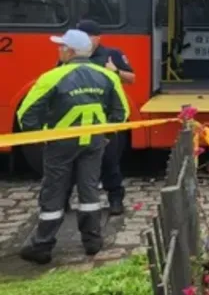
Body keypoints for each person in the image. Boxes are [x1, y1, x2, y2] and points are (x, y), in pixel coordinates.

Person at [16, 29, 130, 264]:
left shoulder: (52, 77)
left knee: (54, 191)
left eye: (61, 46)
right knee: (89, 190)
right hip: (94, 142)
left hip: (60, 144)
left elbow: (26, 113)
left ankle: (42, 245)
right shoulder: (107, 76)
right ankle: (92, 241)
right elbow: (122, 113)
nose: (59, 49)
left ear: (70, 51)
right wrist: (105, 133)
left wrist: (39, 136)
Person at [62, 20, 134, 216]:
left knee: (110, 162)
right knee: (68, 163)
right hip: (73, 121)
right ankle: (63, 201)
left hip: (104, 121)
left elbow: (131, 79)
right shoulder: (69, 56)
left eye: (87, 36)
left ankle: (115, 199)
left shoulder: (112, 54)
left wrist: (116, 71)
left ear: (98, 37)